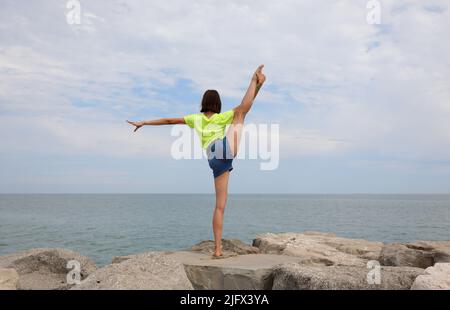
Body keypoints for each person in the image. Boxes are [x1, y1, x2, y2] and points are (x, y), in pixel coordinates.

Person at [127, 65, 266, 257]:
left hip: (215, 160)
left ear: (204, 103)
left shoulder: (195, 119)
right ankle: (253, 80)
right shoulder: (223, 116)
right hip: (222, 149)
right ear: (218, 104)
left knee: (219, 206)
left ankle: (217, 250)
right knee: (241, 113)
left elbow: (168, 121)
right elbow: (244, 107)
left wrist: (144, 122)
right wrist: (255, 84)